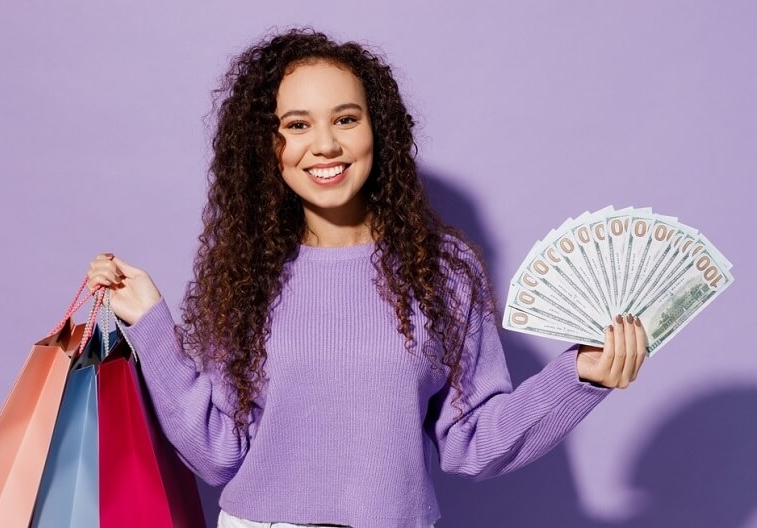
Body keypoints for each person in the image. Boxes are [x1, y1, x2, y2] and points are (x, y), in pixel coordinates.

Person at [87, 29, 647, 528]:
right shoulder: (245, 278)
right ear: (268, 146)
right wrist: (153, 325)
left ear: (378, 131)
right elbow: (215, 453)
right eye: (297, 125)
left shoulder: (445, 272)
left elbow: (471, 443)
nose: (325, 145)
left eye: (346, 119)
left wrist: (580, 376)